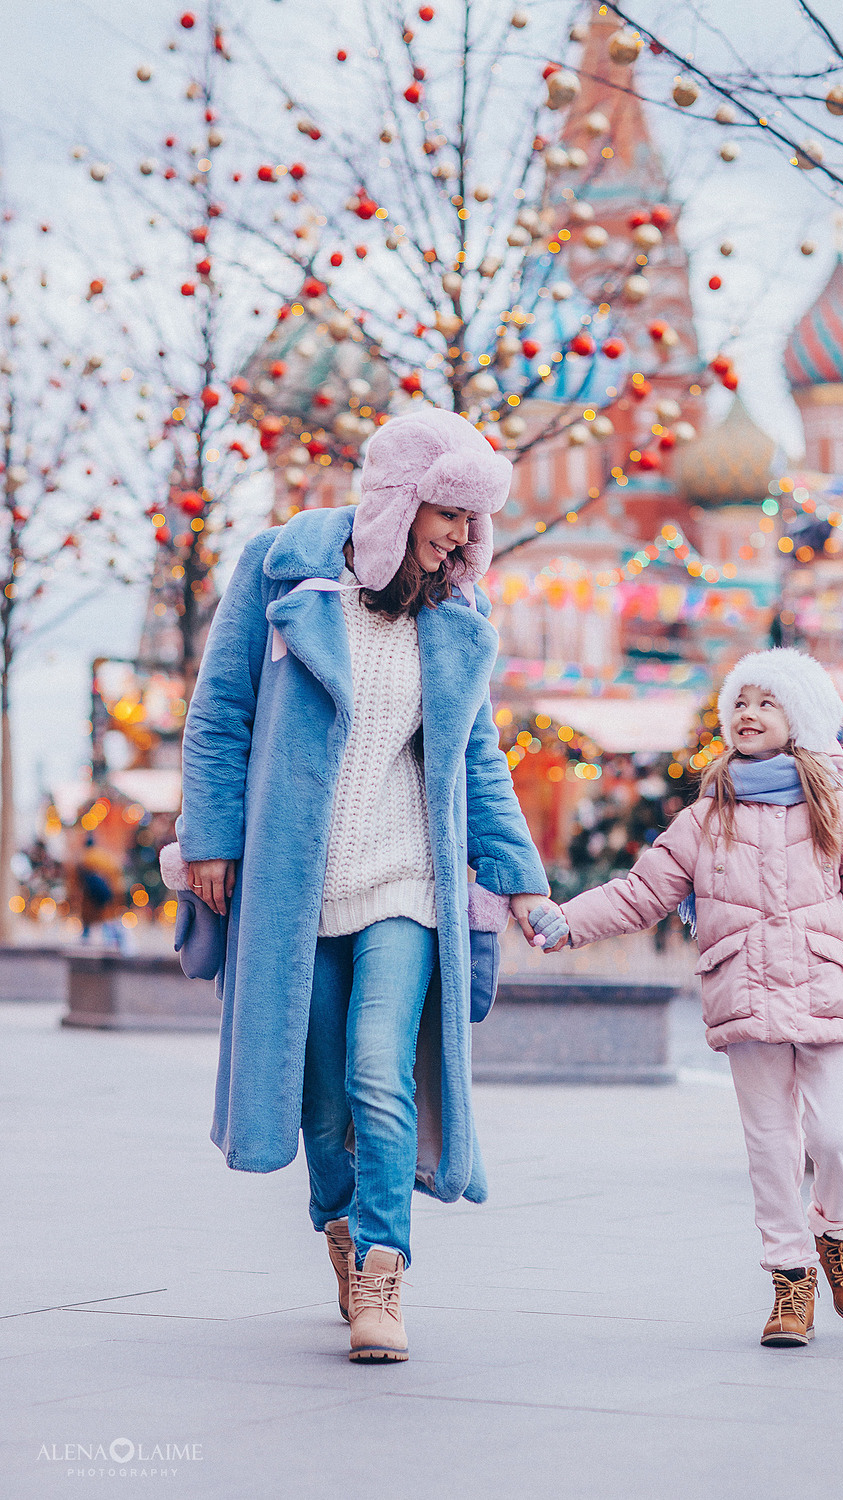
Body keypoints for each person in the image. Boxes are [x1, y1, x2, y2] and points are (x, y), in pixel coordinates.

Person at [176, 406, 548, 1364]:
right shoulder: (280, 573)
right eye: (450, 513)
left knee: (381, 1071)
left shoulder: (458, 618)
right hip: (301, 885)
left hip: (407, 881)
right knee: (327, 1103)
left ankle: (385, 1268)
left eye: (473, 519)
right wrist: (212, 835)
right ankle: (339, 1233)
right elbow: (219, 716)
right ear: (400, 499)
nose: (465, 537)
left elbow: (478, 760)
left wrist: (518, 877)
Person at [528, 649, 843, 1349]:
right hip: (745, 997)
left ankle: (836, 1233)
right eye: (739, 703)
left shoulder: (837, 813)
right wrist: (569, 922)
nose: (748, 714)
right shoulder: (704, 818)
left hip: (827, 991)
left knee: (837, 1134)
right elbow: (642, 892)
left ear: (799, 719)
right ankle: (790, 1279)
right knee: (772, 1146)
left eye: (766, 702)